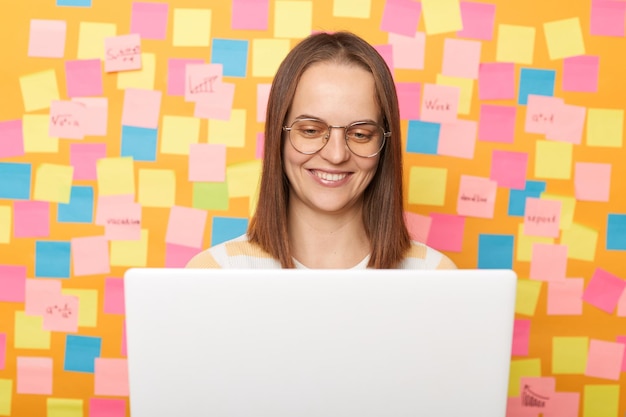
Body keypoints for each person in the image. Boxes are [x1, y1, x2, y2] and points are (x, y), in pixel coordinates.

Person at [186, 31, 456, 269]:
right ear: (277, 137)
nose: (336, 155)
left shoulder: (435, 276)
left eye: (360, 134)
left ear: (384, 144)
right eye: (311, 131)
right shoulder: (216, 273)